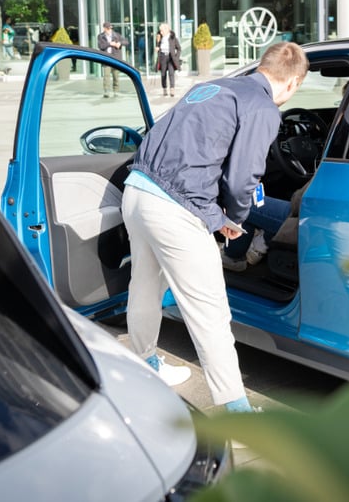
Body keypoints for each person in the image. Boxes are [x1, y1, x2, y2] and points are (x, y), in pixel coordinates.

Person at [121, 41, 308, 412]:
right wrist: (232, 221)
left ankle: (144, 363)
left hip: (137, 192)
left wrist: (212, 213)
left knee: (145, 285)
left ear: (262, 66)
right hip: (174, 211)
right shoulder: (262, 108)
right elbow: (242, 181)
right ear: (292, 85)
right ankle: (237, 413)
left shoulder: (212, 87)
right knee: (211, 314)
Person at [97, 21, 125, 98]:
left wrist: (120, 43)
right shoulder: (100, 36)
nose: (110, 30)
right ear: (105, 29)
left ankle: (116, 91)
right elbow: (101, 46)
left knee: (116, 75)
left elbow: (126, 41)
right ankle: (106, 91)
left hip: (115, 58)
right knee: (106, 76)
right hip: (106, 58)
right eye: (108, 29)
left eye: (110, 28)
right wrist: (110, 44)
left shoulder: (116, 35)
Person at [155, 22, 181, 97]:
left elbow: (179, 48)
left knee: (171, 73)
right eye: (160, 31)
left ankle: (172, 89)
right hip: (162, 57)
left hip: (170, 58)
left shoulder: (173, 38)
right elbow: (157, 46)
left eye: (162, 31)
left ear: (166, 30)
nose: (161, 32)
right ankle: (164, 89)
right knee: (163, 74)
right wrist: (157, 48)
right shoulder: (159, 37)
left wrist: (176, 57)